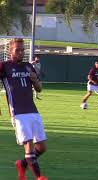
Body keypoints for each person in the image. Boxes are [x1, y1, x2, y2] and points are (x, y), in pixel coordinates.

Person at [0, 38, 48, 180]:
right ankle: (39, 177)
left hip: (33, 111)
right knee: (29, 146)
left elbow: (39, 89)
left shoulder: (28, 66)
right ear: (10, 52)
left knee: (42, 148)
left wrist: (35, 80)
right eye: (17, 50)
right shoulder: (4, 66)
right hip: (18, 113)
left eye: (23, 50)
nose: (21, 52)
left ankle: (21, 164)